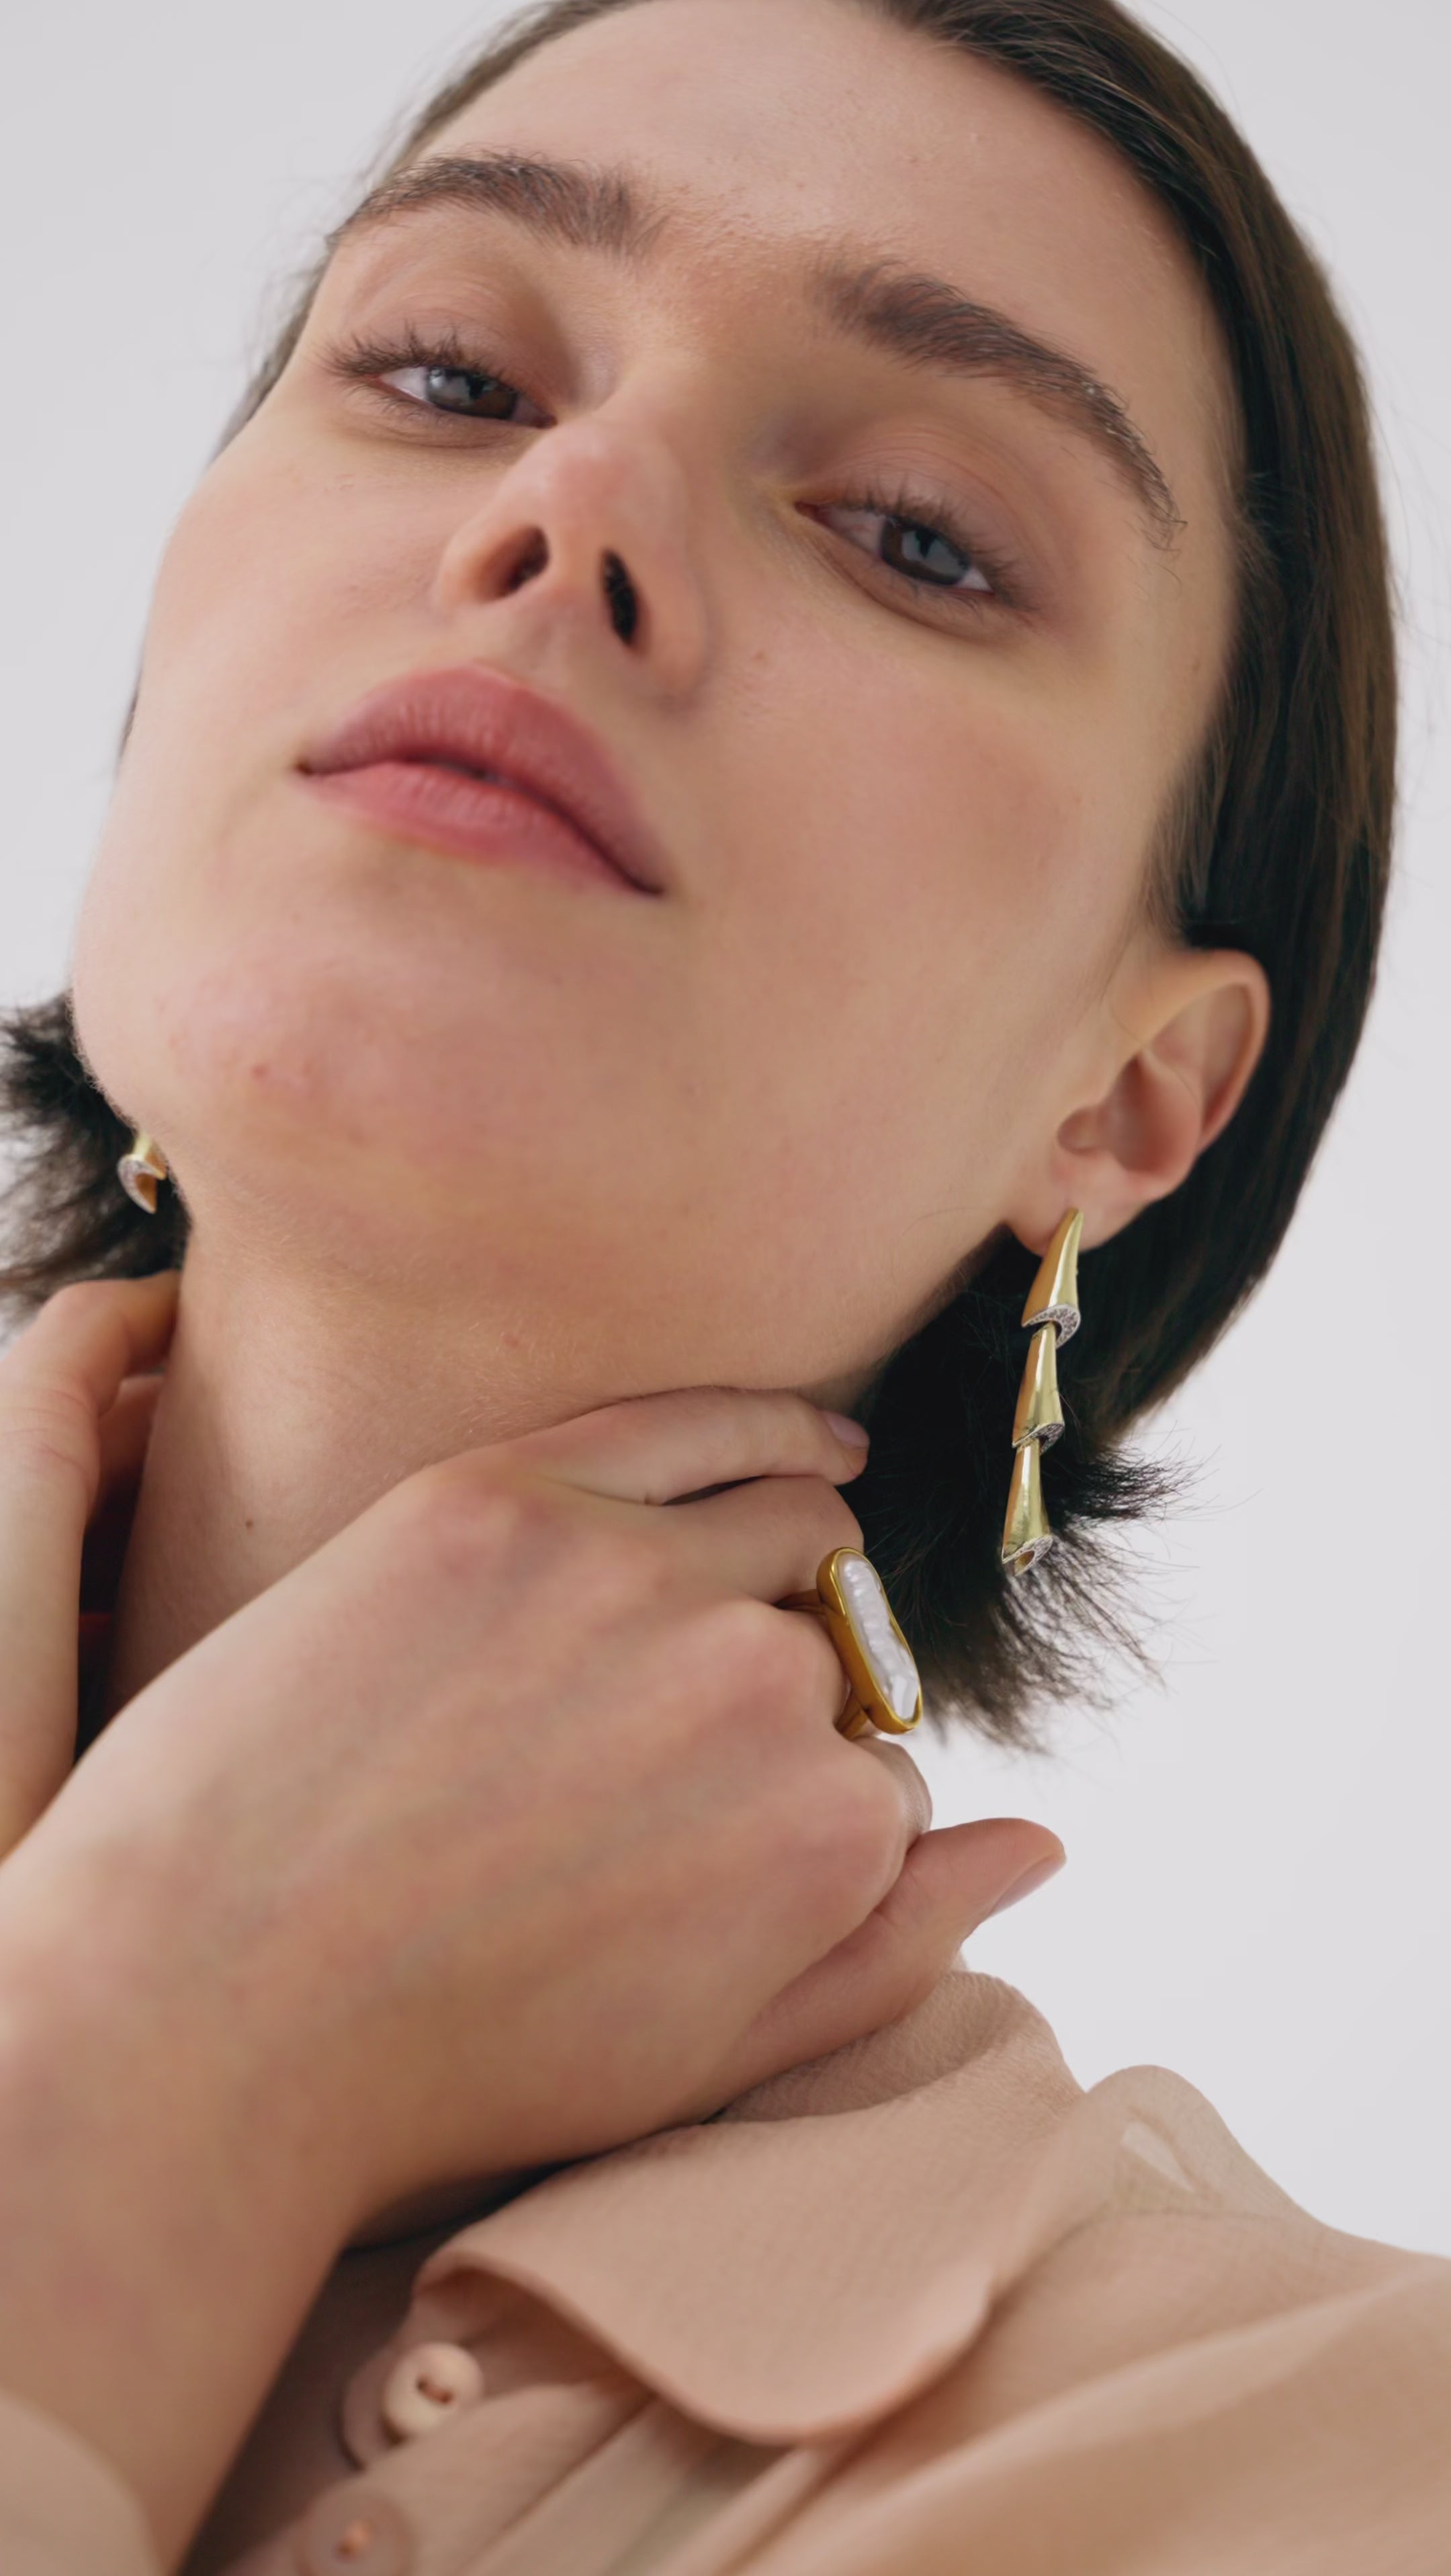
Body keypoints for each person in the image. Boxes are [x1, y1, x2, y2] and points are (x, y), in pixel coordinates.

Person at [0, 0, 1442, 2568]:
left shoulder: (1332, 2458)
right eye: (449, 373)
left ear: (1131, 1096)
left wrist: (184, 2046)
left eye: (914, 533)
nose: (571, 506)